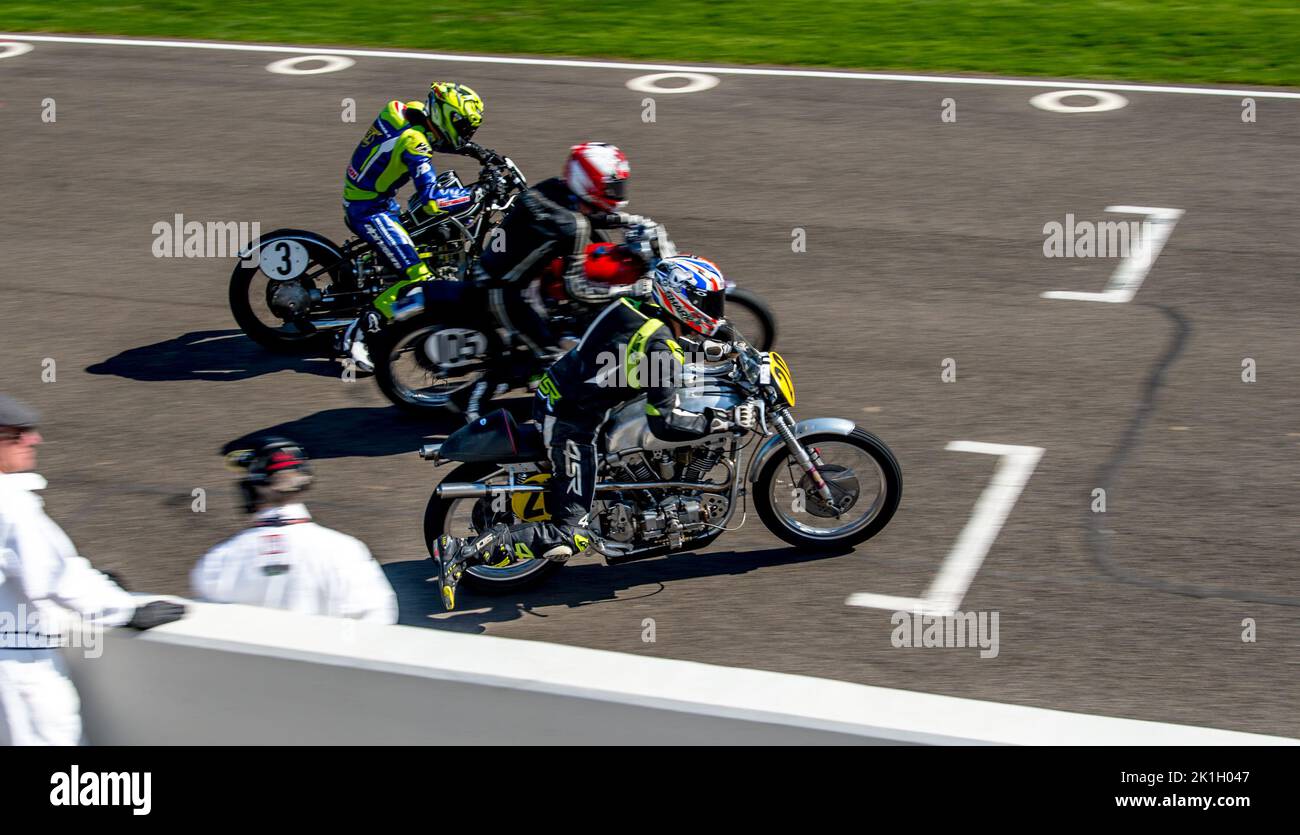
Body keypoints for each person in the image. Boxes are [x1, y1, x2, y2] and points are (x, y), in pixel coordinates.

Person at [432, 256, 751, 610]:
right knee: (572, 535)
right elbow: (666, 423)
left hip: (565, 392)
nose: (715, 311)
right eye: (709, 303)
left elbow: (634, 351)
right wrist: (722, 421)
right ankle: (464, 550)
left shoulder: (634, 307)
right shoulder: (661, 345)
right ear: (681, 300)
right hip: (572, 424)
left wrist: (719, 345)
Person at [0, 395, 185, 746]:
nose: (33, 440)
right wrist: (123, 608)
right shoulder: (10, 503)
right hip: (17, 666)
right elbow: (56, 575)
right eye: (18, 433)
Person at [338, 82, 487, 372]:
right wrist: (475, 194)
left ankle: (376, 273)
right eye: (464, 126)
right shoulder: (414, 142)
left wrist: (480, 152)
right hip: (369, 210)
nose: (466, 133)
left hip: (376, 198)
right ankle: (359, 332)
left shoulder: (407, 111)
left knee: (426, 233)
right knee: (419, 277)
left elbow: (437, 140)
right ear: (447, 116)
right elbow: (433, 200)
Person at [472, 142, 652, 374]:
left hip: (510, 271)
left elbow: (586, 217)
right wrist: (629, 291)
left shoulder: (554, 188)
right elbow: (576, 288)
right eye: (612, 188)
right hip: (501, 291)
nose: (617, 194)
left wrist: (631, 221)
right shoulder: (572, 226)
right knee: (556, 363)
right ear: (588, 182)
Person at [192, 437, 398, 624]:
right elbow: (379, 619)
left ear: (248, 491)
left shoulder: (219, 561)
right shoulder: (346, 551)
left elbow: (204, 626)